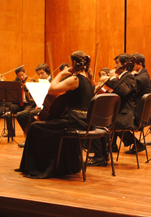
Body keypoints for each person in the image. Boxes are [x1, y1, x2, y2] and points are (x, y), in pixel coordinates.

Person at [16, 51, 94, 179]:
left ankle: (37, 167)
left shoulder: (75, 79)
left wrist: (61, 74)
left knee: (36, 127)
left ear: (74, 63)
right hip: (84, 120)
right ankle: (64, 165)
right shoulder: (89, 80)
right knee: (48, 126)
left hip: (74, 120)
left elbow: (52, 90)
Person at [16, 63, 51, 147]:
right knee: (20, 115)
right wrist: (29, 91)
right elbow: (32, 99)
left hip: (47, 107)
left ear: (47, 72)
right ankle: (29, 137)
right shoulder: (40, 82)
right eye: (38, 74)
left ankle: (32, 140)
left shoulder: (52, 82)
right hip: (37, 105)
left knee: (32, 113)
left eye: (42, 73)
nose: (40, 76)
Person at [131, 53, 151, 147]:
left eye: (133, 64)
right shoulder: (143, 74)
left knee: (118, 119)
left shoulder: (140, 78)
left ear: (139, 64)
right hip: (147, 109)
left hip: (143, 111)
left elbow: (132, 94)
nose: (132, 66)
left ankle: (136, 145)